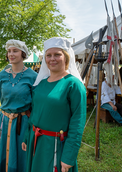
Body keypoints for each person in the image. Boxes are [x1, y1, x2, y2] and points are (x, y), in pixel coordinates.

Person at [22, 37, 86, 172]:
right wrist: (28, 137)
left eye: (57, 54)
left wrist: (69, 156)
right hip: (36, 141)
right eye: (49, 55)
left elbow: (77, 123)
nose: (52, 59)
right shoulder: (42, 83)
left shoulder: (73, 84)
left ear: (66, 58)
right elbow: (35, 114)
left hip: (56, 146)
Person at [0, 39, 37, 172]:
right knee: (2, 154)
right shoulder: (2, 75)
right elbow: (3, 100)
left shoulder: (33, 76)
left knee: (21, 155)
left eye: (15, 51)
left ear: (23, 53)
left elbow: (35, 104)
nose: (11, 54)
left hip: (22, 122)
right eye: (9, 51)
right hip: (4, 121)